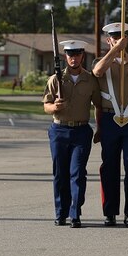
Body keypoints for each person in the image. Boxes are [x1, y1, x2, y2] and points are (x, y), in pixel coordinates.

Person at [92, 23, 128, 228]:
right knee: (109, 167)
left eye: (121, 37)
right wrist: (116, 50)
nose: (118, 40)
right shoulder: (102, 61)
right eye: (114, 37)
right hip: (109, 119)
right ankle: (110, 212)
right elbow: (98, 72)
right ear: (109, 40)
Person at [43, 40, 101, 228]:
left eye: (77, 55)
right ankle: (61, 213)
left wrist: (99, 128)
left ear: (82, 56)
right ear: (65, 57)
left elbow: (99, 106)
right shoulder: (56, 79)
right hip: (59, 130)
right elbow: (46, 105)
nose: (73, 59)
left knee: (77, 173)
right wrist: (55, 107)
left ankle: (75, 213)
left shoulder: (90, 79)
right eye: (70, 55)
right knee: (60, 174)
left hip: (81, 131)